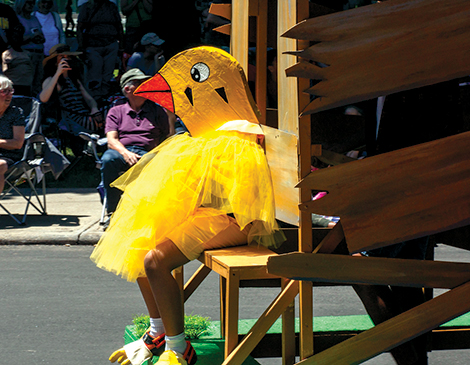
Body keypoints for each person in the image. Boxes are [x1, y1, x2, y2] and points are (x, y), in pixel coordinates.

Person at [92, 46, 283, 365]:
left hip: (235, 219)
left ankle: (179, 348)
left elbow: (234, 197)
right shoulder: (208, 135)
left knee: (155, 261)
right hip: (213, 214)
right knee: (138, 246)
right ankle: (157, 332)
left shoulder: (241, 133)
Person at [101, 68, 175, 217]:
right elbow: (112, 140)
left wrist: (170, 115)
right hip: (122, 151)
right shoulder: (116, 111)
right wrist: (126, 153)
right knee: (108, 159)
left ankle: (150, 213)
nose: (145, 86)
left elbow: (168, 136)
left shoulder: (156, 110)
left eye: (145, 82)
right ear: (128, 89)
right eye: (139, 83)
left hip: (149, 152)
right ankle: (113, 212)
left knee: (158, 162)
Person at [40, 43, 104, 155]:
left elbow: (89, 99)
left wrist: (94, 108)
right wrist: (58, 73)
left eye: (68, 57)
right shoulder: (51, 79)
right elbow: (43, 98)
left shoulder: (74, 79)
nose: (67, 59)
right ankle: (101, 143)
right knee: (104, 119)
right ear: (55, 61)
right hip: (72, 118)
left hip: (86, 115)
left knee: (112, 110)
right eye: (62, 57)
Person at [77, 0, 124, 99]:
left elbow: (119, 25)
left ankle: (105, 97)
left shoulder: (112, 6)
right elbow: (80, 27)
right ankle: (95, 98)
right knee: (95, 73)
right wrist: (81, 46)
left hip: (111, 43)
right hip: (93, 45)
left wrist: (121, 44)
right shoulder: (86, 7)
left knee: (108, 73)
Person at [0, 75, 25, 194]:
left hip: (9, 156)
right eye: (4, 91)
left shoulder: (15, 113)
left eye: (11, 91)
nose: (9, 95)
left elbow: (18, 143)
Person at [14, 0, 45, 95]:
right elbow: (16, 40)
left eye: (32, 3)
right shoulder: (17, 20)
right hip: (26, 54)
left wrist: (39, 37)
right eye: (28, 3)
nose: (31, 5)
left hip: (39, 52)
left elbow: (42, 36)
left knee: (39, 82)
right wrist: (32, 37)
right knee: (27, 83)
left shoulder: (34, 19)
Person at [2, 24, 34, 96]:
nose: (17, 39)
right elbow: (4, 71)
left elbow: (32, 70)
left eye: (19, 36)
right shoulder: (6, 54)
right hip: (13, 86)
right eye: (15, 37)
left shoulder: (27, 54)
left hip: (26, 86)